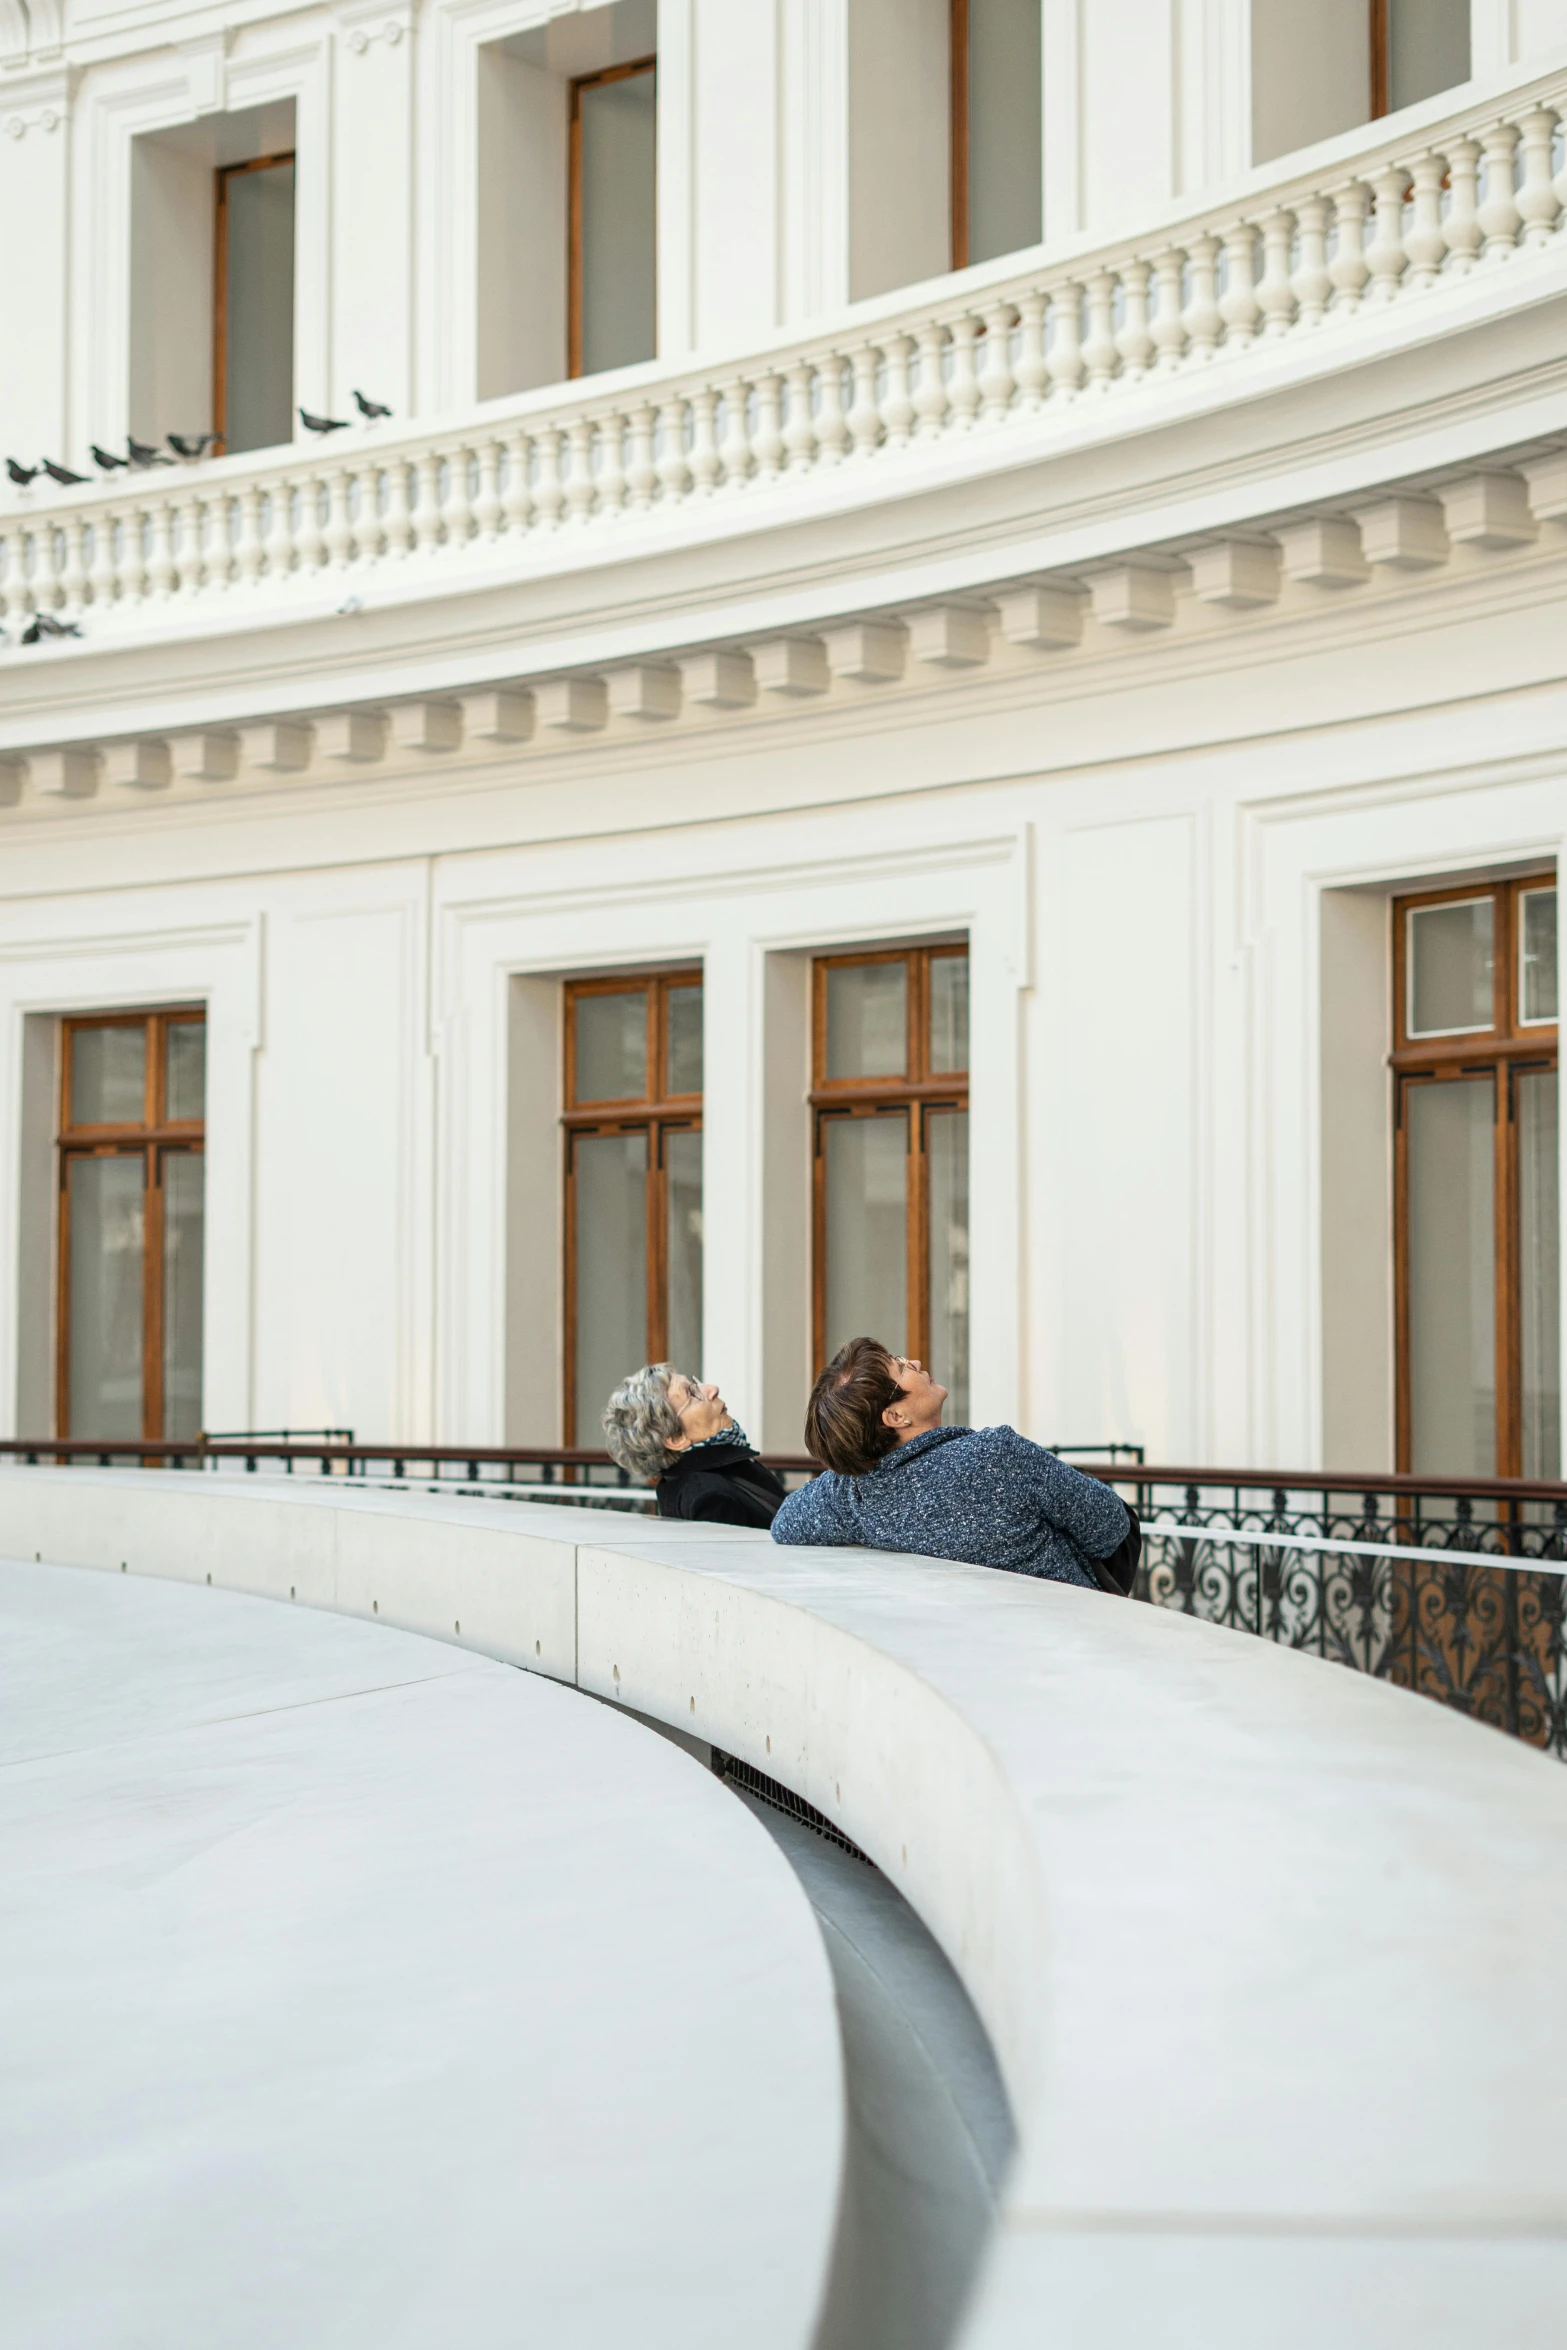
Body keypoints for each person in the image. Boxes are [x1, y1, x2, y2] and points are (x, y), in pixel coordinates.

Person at [771, 1336, 1129, 1588]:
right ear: (894, 1416)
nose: (914, 1362)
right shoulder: (996, 1457)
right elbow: (1112, 1527)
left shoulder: (854, 1498)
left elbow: (785, 1523)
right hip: (1071, 1643)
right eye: (900, 1367)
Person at [602, 1364, 786, 1529]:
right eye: (692, 1393)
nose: (713, 1389)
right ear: (676, 1438)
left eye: (695, 1383)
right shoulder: (707, 1497)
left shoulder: (708, 1477)